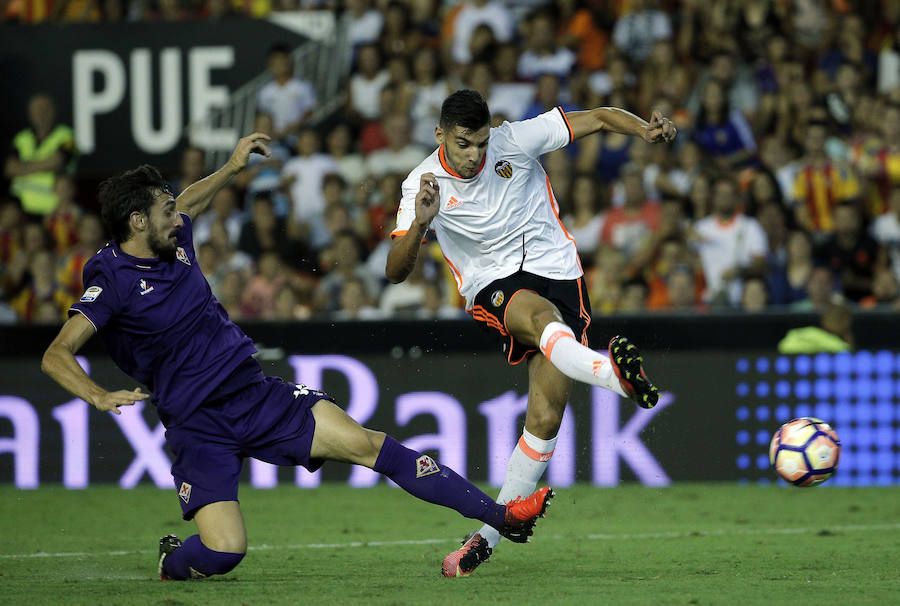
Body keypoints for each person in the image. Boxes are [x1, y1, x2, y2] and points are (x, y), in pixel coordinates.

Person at [40, 133, 554, 582]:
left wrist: (232, 168)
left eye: (176, 210)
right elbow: (57, 353)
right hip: (197, 424)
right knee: (224, 553)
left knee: (368, 444)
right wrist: (98, 394)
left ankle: (504, 517)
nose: (180, 217)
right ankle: (171, 561)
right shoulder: (110, 281)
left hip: (255, 394)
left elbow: (191, 201)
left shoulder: (173, 236)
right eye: (166, 212)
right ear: (136, 222)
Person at [386, 89, 675, 577]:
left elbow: (601, 117)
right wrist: (420, 223)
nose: (475, 155)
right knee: (542, 321)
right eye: (463, 145)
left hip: (559, 271)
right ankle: (611, 375)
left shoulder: (514, 140)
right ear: (440, 135)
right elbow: (395, 271)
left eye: (480, 143)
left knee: (546, 415)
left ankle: (488, 536)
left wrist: (642, 129)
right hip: (494, 284)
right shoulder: (421, 184)